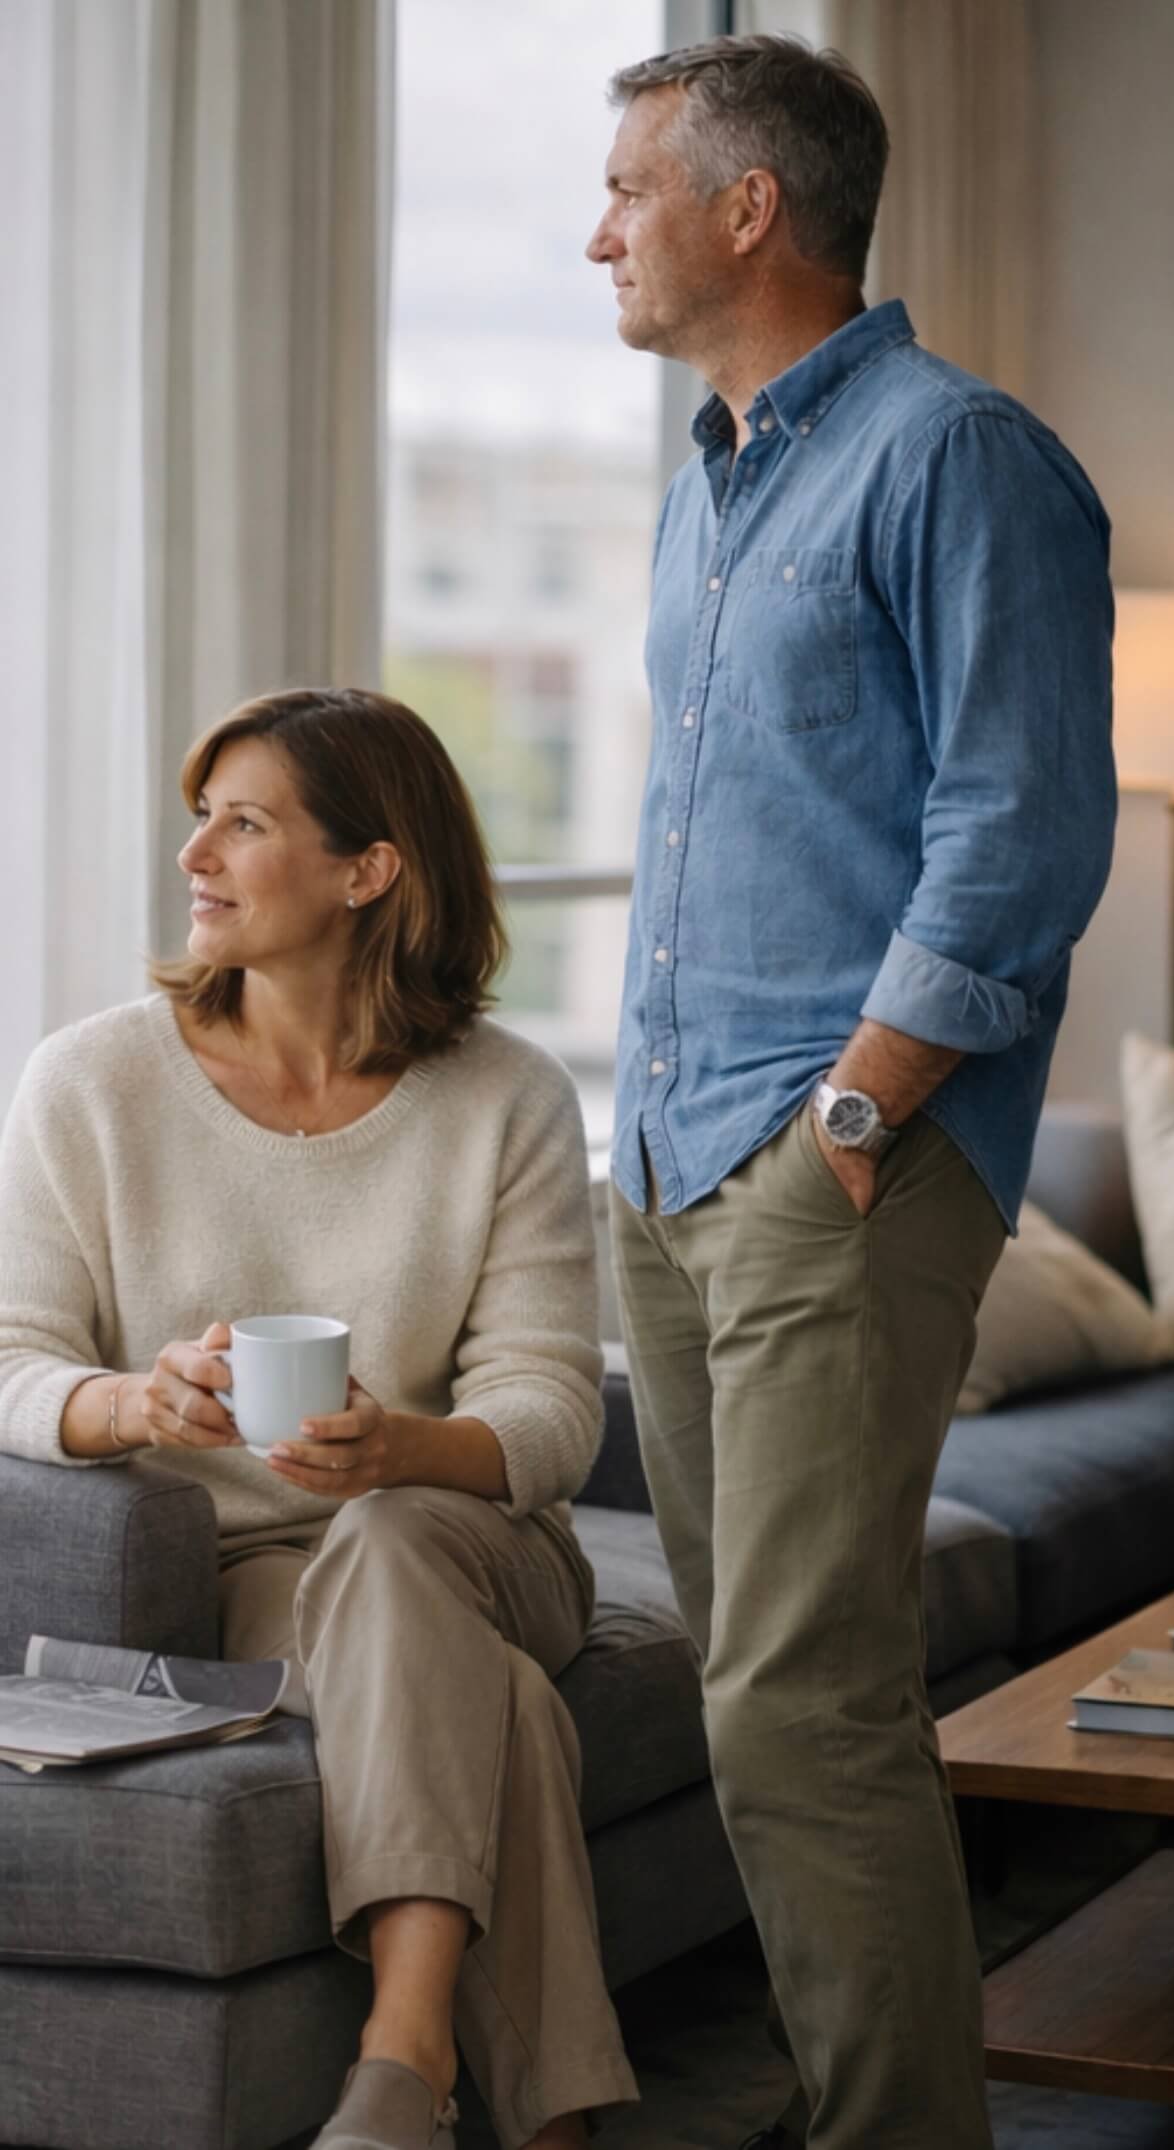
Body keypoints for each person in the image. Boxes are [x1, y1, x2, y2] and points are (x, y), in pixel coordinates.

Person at [587, 32, 1116, 2150]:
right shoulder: (704, 485)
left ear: (747, 207)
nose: (595, 228)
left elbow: (1016, 833)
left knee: (800, 1710)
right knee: (758, 1698)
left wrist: (853, 1115)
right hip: (665, 1152)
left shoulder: (952, 455)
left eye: (629, 186)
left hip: (835, 1162)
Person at [0, 686, 638, 2150]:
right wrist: (133, 1401)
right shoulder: (89, 1085)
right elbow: (11, 1357)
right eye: (197, 818)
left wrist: (405, 1450)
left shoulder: (504, 1096)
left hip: (484, 1539)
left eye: (246, 821)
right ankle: (510, 2115)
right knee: (507, 1713)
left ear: (371, 868)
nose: (196, 855)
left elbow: (548, 1399)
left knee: (403, 1538)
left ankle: (402, 2051)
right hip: (261, 1580)